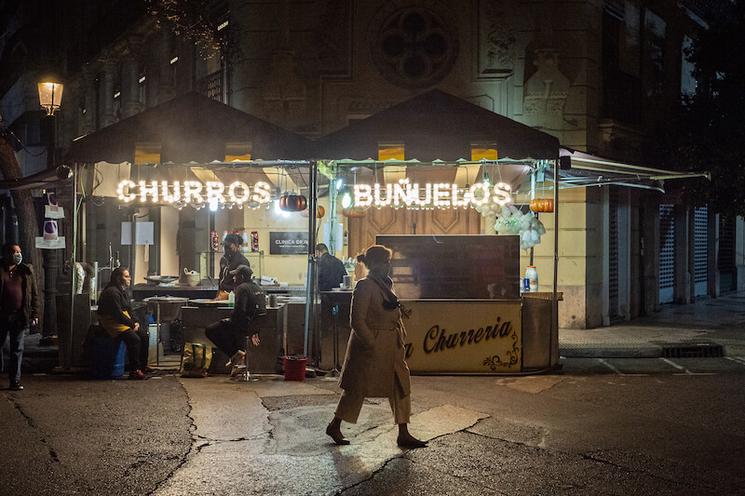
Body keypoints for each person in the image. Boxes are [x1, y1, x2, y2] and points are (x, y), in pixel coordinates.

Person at [326, 245, 426, 448]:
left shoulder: (386, 285)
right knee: (357, 388)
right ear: (376, 264)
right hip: (370, 348)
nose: (389, 266)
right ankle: (335, 425)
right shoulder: (365, 286)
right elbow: (357, 321)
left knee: (400, 385)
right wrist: (371, 341)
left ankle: (403, 431)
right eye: (386, 262)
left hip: (391, 345)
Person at [206, 265, 266, 374]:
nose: (234, 278)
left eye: (236, 276)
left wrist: (229, 320)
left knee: (211, 330)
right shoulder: (259, 288)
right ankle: (238, 358)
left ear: (242, 277)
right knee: (231, 328)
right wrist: (255, 329)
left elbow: (240, 311)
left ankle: (235, 355)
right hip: (255, 326)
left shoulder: (242, 288)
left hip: (244, 326)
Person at [0, 243, 39, 391]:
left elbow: (34, 294)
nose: (18, 255)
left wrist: (35, 313)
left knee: (17, 349)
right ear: (7, 254)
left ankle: (14, 380)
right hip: (2, 315)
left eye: (19, 252)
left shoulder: (25, 271)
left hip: (19, 316)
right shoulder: (1, 270)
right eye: (15, 252)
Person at [97, 267, 147, 380]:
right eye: (126, 276)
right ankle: (134, 370)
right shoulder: (111, 292)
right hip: (112, 322)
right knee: (134, 339)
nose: (129, 278)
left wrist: (136, 322)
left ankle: (143, 367)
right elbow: (117, 314)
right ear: (118, 278)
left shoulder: (123, 291)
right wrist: (132, 325)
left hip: (124, 320)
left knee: (144, 336)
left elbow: (130, 309)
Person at [216, 233, 250, 300]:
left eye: (229, 247)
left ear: (236, 246)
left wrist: (228, 296)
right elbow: (221, 278)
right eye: (225, 246)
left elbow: (242, 285)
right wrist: (218, 294)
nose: (226, 249)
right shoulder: (224, 259)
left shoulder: (242, 261)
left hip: (234, 296)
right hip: (221, 294)